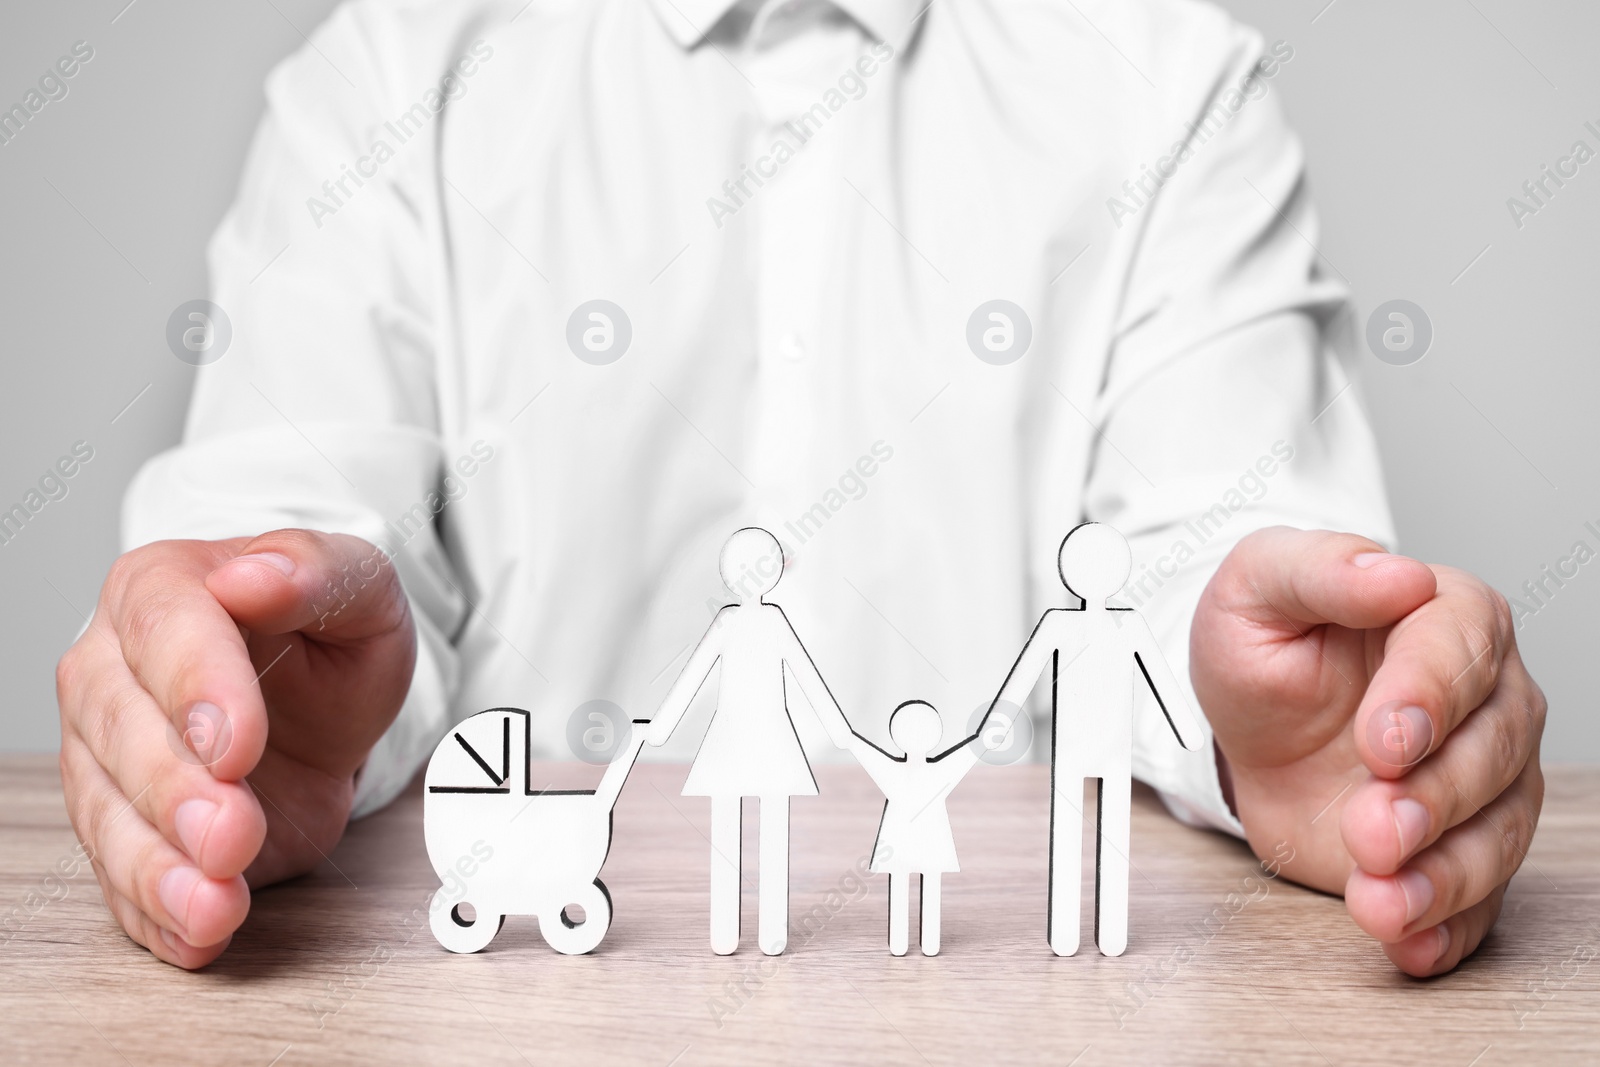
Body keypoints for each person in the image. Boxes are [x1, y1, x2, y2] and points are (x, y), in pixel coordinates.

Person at [55, 0, 1545, 975]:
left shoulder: (1170, 86)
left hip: (1001, 996)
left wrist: (1268, 730)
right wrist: (251, 693)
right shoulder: (389, 77)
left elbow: (1213, 567)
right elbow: (286, 542)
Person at [988, 521, 1203, 957]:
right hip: (1072, 750)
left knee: (1112, 840)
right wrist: (999, 722)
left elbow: (1162, 680)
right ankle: (1067, 932)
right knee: (1069, 833)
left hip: (1113, 749)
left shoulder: (1129, 626)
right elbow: (1024, 676)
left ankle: (1110, 934)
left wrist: (1188, 729)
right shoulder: (1059, 627)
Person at [644, 527, 850, 955]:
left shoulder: (759, 621)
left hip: (762, 737)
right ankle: (733, 932)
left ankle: (764, 933)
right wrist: (661, 727)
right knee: (733, 831)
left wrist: (837, 728)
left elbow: (804, 675)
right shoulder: (735, 622)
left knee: (759, 829)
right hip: (739, 739)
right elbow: (697, 674)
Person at [839, 699, 986, 957]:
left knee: (915, 881)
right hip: (917, 842)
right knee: (918, 881)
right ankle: (918, 943)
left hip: (909, 841)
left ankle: (915, 942)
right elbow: (980, 741)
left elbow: (850, 741)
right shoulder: (933, 771)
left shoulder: (900, 771)